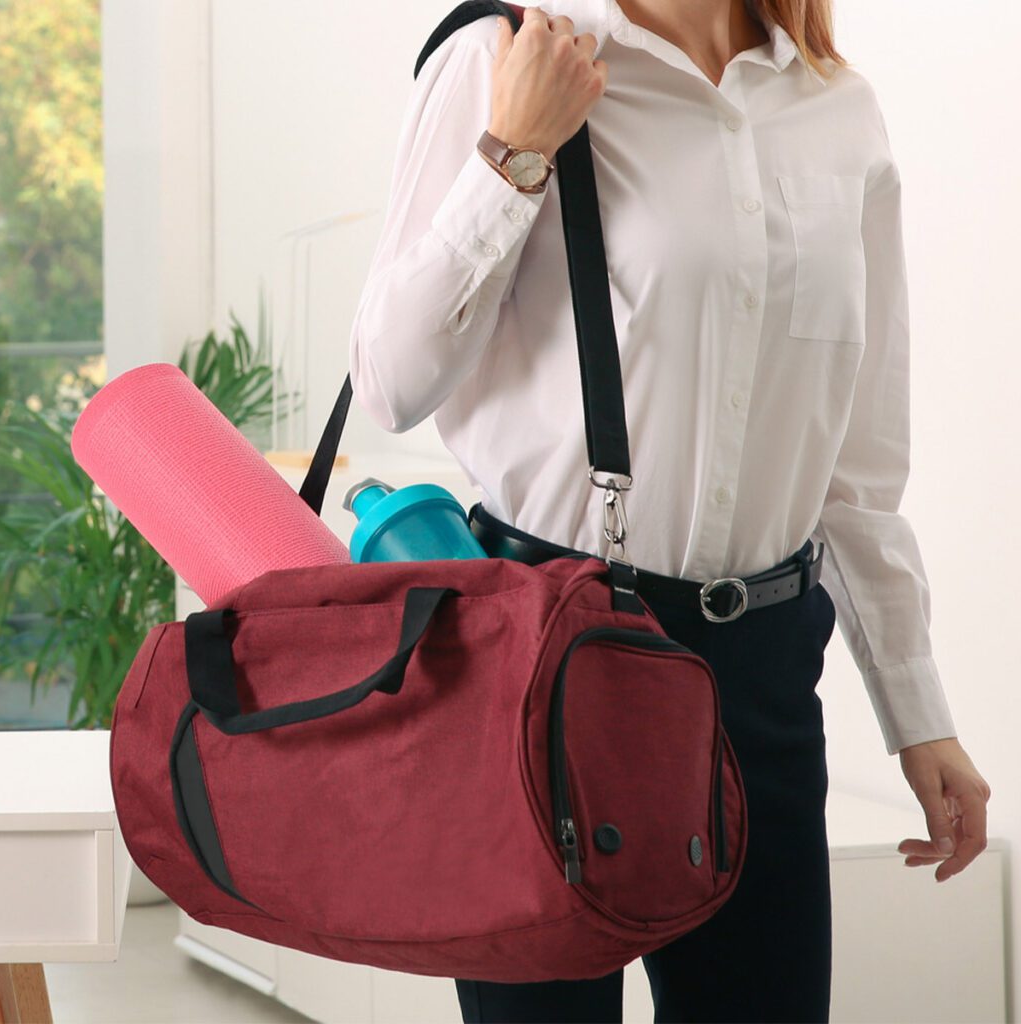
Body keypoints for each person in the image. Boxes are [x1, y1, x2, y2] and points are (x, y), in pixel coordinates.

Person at [348, 0, 992, 1020]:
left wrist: (917, 716)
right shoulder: (506, 52)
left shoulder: (835, 106)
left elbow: (856, 464)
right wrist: (513, 149)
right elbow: (390, 379)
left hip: (760, 682)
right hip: (544, 670)